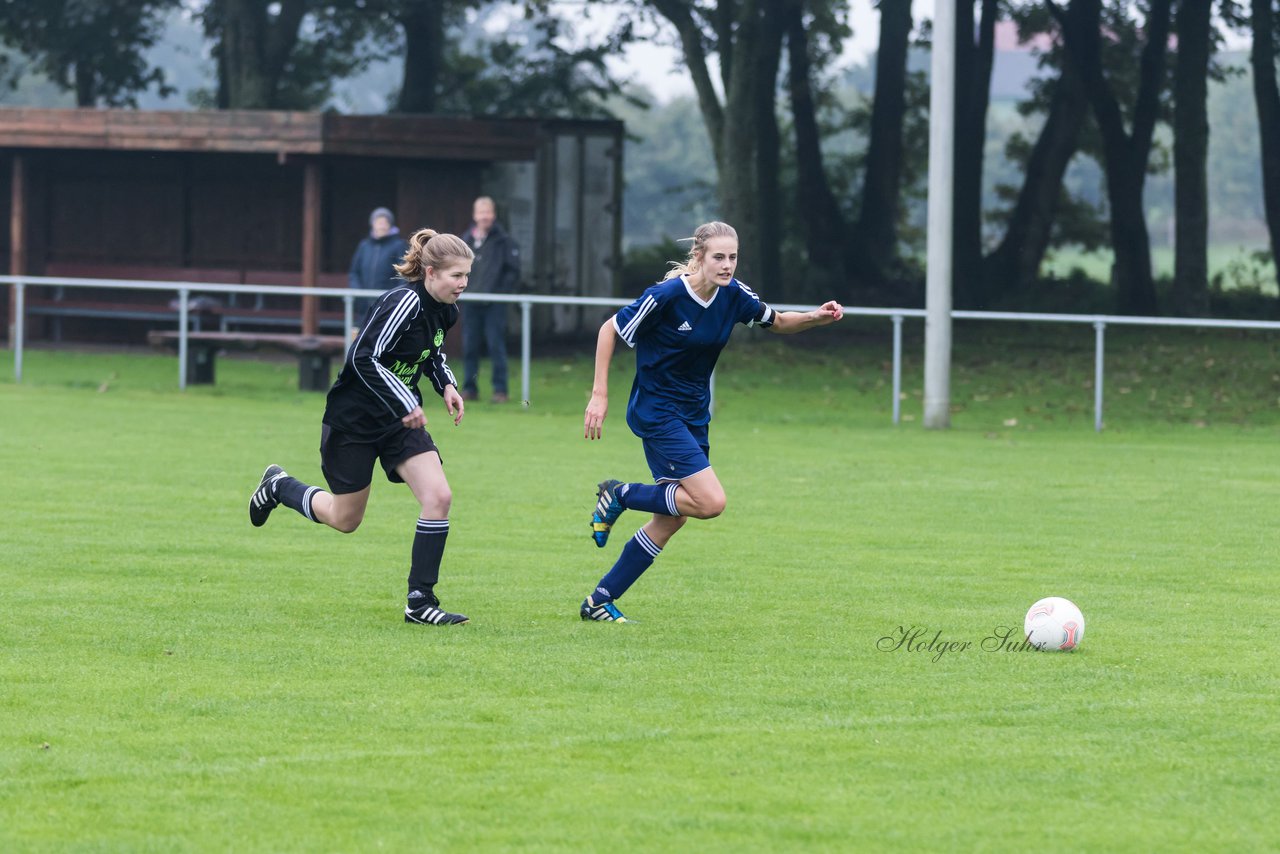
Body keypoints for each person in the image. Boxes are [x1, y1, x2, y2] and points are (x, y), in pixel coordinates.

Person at [579, 221, 845, 622]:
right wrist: (599, 394)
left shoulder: (733, 296)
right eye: (718, 257)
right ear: (699, 257)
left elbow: (778, 321)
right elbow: (609, 329)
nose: (727, 265)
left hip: (693, 416)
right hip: (657, 411)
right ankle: (619, 495)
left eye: (733, 257)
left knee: (672, 518)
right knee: (710, 501)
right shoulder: (666, 296)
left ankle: (598, 601)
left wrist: (816, 318)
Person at [249, 229, 473, 626]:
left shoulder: (446, 311)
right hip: (353, 421)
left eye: (467, 276)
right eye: (456, 276)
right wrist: (406, 400)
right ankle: (279, 486)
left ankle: (420, 601)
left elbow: (431, 353)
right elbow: (363, 358)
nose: (463, 284)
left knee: (439, 496)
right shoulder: (402, 302)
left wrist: (447, 385)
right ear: (431, 273)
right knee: (345, 519)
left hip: (399, 423)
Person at [459, 196, 521, 403]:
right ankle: (469, 388)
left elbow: (513, 271)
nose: (484, 216)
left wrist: (499, 293)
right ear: (475, 215)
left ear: (493, 215)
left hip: (495, 304)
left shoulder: (504, 241)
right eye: (481, 212)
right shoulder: (465, 240)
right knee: (470, 347)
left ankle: (500, 390)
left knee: (496, 346)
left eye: (488, 212)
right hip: (471, 303)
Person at [348, 207, 410, 292]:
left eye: (385, 222)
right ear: (372, 224)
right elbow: (354, 272)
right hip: (364, 300)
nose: (381, 226)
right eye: (378, 222)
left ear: (390, 225)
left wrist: (396, 295)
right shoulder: (364, 246)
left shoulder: (398, 245)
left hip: (388, 301)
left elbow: (404, 273)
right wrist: (357, 293)